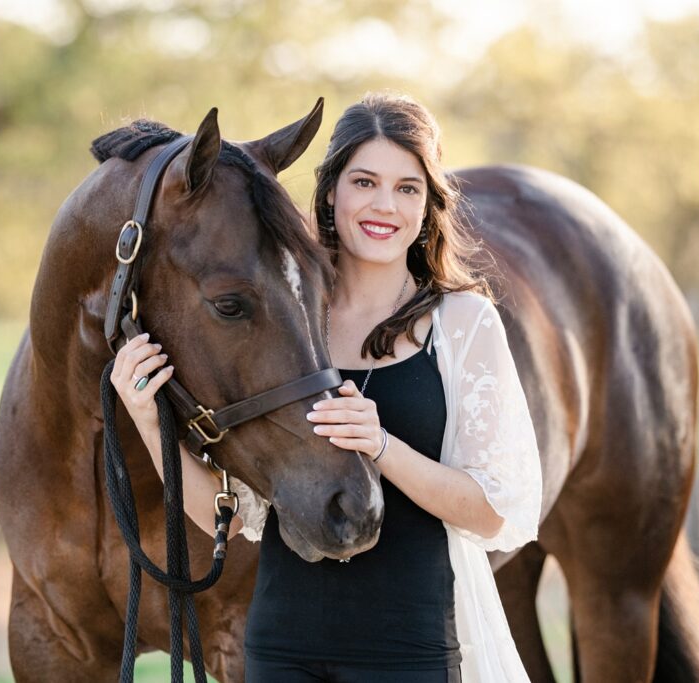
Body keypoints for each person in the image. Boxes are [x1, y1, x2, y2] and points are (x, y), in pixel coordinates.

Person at [111, 92, 542, 682]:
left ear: (428, 204)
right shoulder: (290, 320)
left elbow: (493, 514)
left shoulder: (462, 323)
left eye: (407, 188)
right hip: (281, 650)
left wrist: (382, 445)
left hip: (409, 651)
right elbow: (230, 515)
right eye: (364, 182)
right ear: (331, 190)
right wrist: (144, 413)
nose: (384, 206)